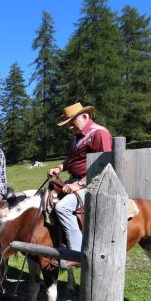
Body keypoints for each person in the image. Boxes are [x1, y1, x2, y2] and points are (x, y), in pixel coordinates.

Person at [47, 102, 112, 267]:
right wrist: (59, 167)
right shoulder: (78, 138)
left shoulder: (98, 133)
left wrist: (80, 184)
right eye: (68, 124)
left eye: (72, 122)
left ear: (84, 116)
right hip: (76, 180)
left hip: (96, 183)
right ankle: (61, 242)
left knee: (63, 207)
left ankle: (75, 254)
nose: (70, 127)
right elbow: (71, 161)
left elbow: (104, 164)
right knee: (47, 199)